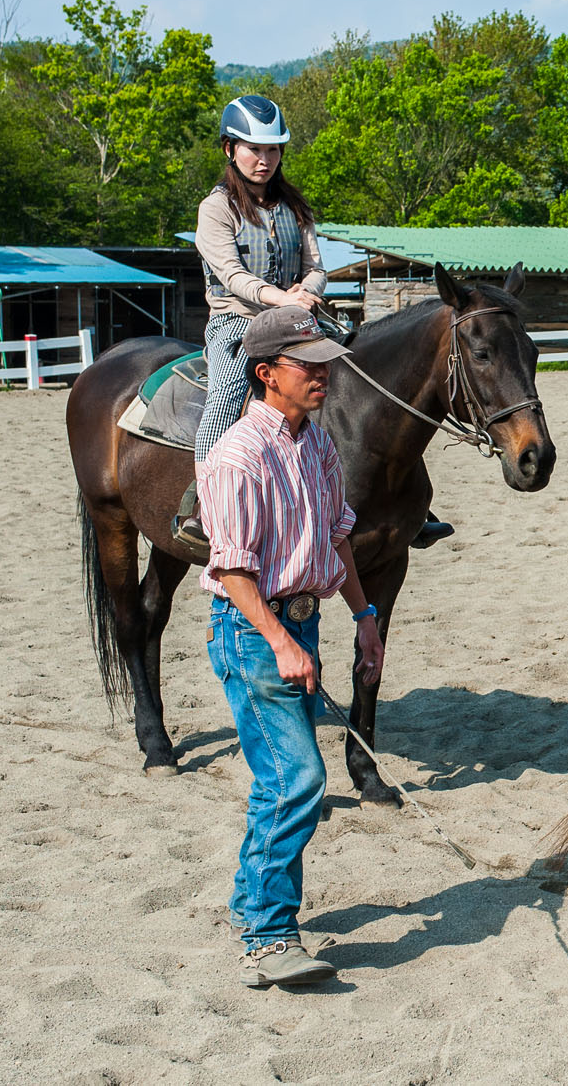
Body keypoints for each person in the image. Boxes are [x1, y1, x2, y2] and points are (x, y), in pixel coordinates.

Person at [176, 95, 452, 554]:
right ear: (230, 149)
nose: (264, 160)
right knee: (225, 397)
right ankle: (206, 506)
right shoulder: (216, 209)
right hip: (237, 323)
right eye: (253, 150)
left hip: (301, 318)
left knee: (369, 379)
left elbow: (317, 265)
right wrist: (284, 298)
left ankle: (409, 505)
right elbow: (232, 276)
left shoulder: (294, 205)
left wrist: (308, 290)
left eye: (273, 151)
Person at [200, 305, 385, 987]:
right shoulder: (235, 457)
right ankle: (268, 936)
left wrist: (364, 615)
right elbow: (234, 571)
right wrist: (280, 639)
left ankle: (258, 914)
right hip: (252, 628)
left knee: (282, 779)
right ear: (265, 373)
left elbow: (338, 533)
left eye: (324, 362)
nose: (323, 374)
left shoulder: (318, 444)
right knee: (298, 778)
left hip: (298, 622)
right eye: (307, 364)